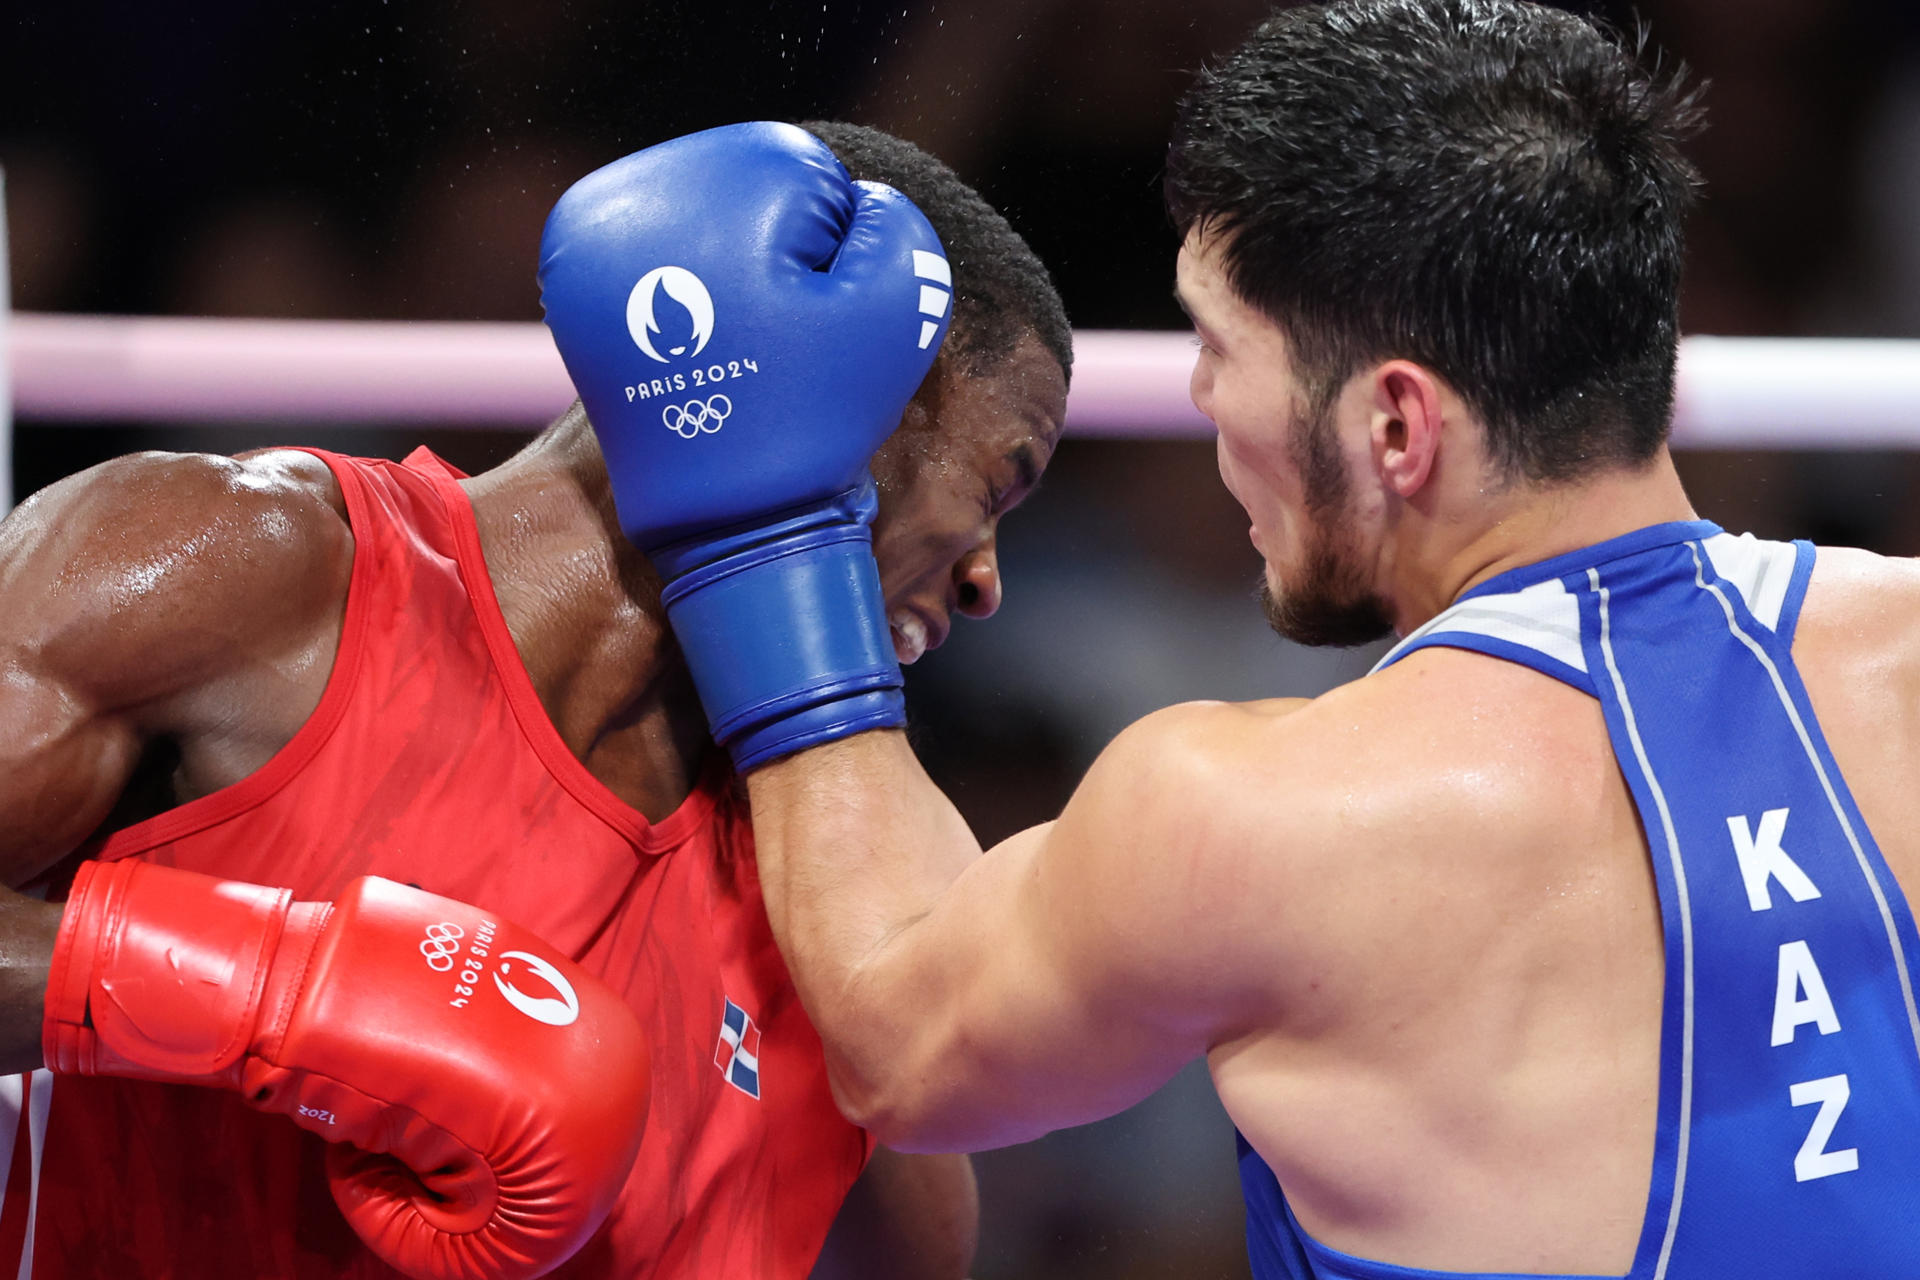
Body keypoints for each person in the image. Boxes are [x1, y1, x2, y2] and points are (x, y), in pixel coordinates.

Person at [569, 5, 1920, 1280]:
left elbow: (897, 1036)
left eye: (1220, 347)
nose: (1202, 404)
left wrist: (773, 533)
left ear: (1397, 427)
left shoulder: (1253, 813)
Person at [0, 120, 1071, 1278]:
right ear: (843, 397)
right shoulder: (249, 569)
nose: (985, 582)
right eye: (995, 486)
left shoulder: (835, 926)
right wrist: (270, 993)